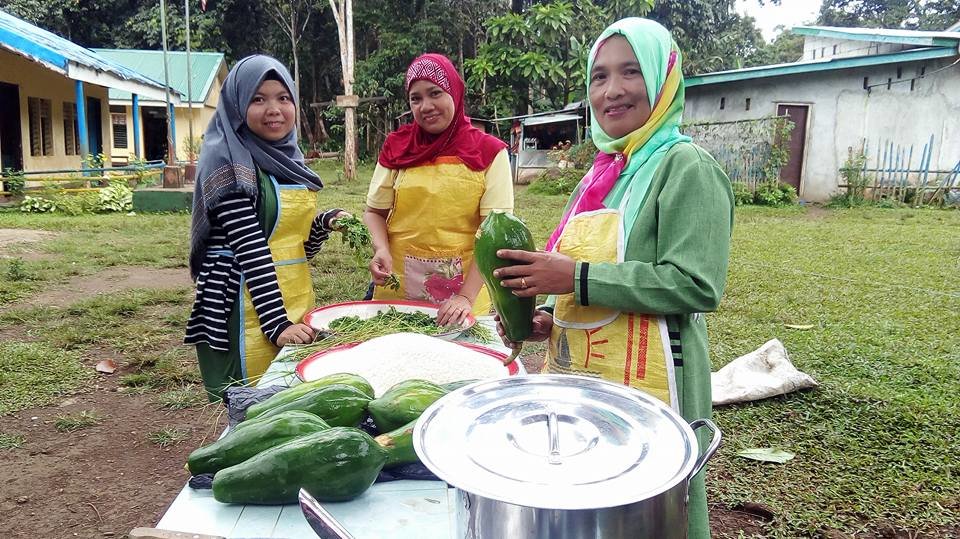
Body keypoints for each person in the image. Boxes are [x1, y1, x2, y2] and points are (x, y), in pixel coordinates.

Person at [492, 18, 733, 538]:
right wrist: (545, 316)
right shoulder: (603, 171)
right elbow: (575, 275)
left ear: (663, 79)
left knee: (646, 513)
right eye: (598, 77)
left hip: (652, 379)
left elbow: (696, 283)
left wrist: (574, 279)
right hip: (578, 375)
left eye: (630, 72)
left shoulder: (687, 166)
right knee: (586, 504)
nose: (612, 90)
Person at [185, 55, 347, 400]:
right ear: (237, 104)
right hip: (242, 299)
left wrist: (323, 223)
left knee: (288, 397)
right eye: (258, 99)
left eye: (282, 98)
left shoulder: (287, 160)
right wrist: (277, 324)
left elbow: (295, 247)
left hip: (290, 291)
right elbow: (251, 247)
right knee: (251, 407)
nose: (273, 109)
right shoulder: (226, 158)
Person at [363, 53, 513, 326]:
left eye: (435, 93)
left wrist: (465, 298)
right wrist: (381, 249)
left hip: (463, 299)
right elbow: (374, 212)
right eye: (415, 98)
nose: (426, 106)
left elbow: (495, 234)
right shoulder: (397, 147)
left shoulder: (489, 152)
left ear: (454, 93)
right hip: (395, 293)